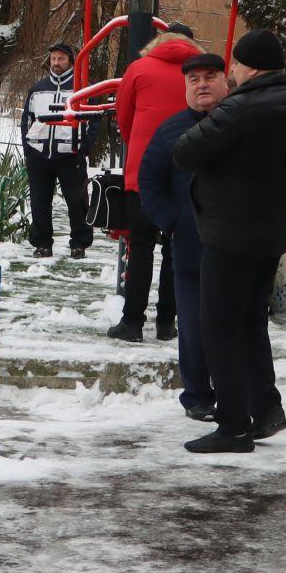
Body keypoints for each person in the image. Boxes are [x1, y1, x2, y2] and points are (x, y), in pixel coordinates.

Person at [172, 30, 286, 452]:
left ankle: (233, 424)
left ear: (249, 65)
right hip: (268, 232)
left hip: (230, 232)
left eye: (234, 64)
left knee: (219, 327)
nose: (230, 72)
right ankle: (267, 409)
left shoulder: (242, 106)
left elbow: (186, 151)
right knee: (251, 323)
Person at [137, 53, 232, 422]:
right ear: (185, 88)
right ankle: (197, 395)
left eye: (210, 76)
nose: (202, 84)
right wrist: (171, 222)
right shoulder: (170, 130)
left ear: (226, 82)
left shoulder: (242, 124)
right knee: (192, 326)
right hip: (190, 249)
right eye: (194, 80)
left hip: (239, 247)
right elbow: (149, 182)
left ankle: (236, 392)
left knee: (235, 324)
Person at [109, 24, 197, 342]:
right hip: (187, 172)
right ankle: (166, 323)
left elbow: (124, 115)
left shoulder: (139, 68)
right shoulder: (201, 73)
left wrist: (138, 143)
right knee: (177, 248)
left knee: (141, 246)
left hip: (144, 171)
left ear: (160, 40)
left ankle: (132, 322)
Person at [19, 42, 100, 258]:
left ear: (70, 61)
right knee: (39, 201)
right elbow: (27, 119)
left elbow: (94, 121)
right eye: (54, 59)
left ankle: (79, 244)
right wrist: (28, 148)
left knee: (77, 201)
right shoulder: (38, 88)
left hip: (70, 154)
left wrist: (83, 148)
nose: (56, 63)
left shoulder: (82, 88)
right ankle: (42, 244)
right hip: (39, 155)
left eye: (61, 59)